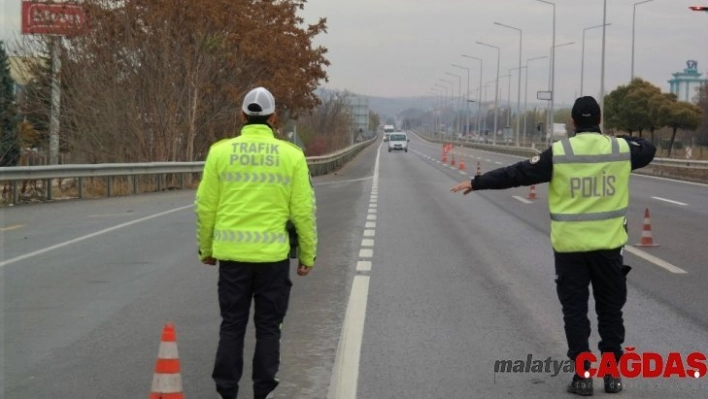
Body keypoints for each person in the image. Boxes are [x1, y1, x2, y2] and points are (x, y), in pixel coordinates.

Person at [451, 96, 655, 396]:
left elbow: (516, 174)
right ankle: (612, 376)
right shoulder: (618, 149)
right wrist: (619, 138)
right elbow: (647, 149)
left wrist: (477, 182)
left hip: (570, 249)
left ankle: (583, 378)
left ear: (572, 123)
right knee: (610, 311)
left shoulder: (559, 153)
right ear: (599, 120)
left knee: (575, 312)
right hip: (609, 248)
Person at [195, 86, 318, 399]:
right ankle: (264, 392)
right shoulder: (291, 156)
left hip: (232, 260)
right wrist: (307, 255)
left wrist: (206, 249)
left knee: (232, 326)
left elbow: (205, 206)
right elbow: (303, 211)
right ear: (273, 117)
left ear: (242, 115)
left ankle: (227, 392)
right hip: (273, 260)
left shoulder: (220, 152)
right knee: (268, 328)